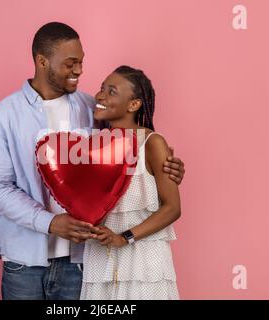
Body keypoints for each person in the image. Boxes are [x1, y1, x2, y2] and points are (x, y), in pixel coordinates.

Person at [0, 22, 185, 300]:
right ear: (42, 62)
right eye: (70, 63)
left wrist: (168, 168)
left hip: (81, 261)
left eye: (81, 62)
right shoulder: (3, 116)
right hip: (24, 261)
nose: (79, 71)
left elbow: (129, 155)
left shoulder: (93, 110)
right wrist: (50, 223)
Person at [80, 66, 180, 300]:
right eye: (102, 88)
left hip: (144, 261)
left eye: (111, 91)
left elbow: (172, 207)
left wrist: (124, 237)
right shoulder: (92, 144)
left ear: (134, 105)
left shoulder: (152, 144)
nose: (100, 96)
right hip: (101, 258)